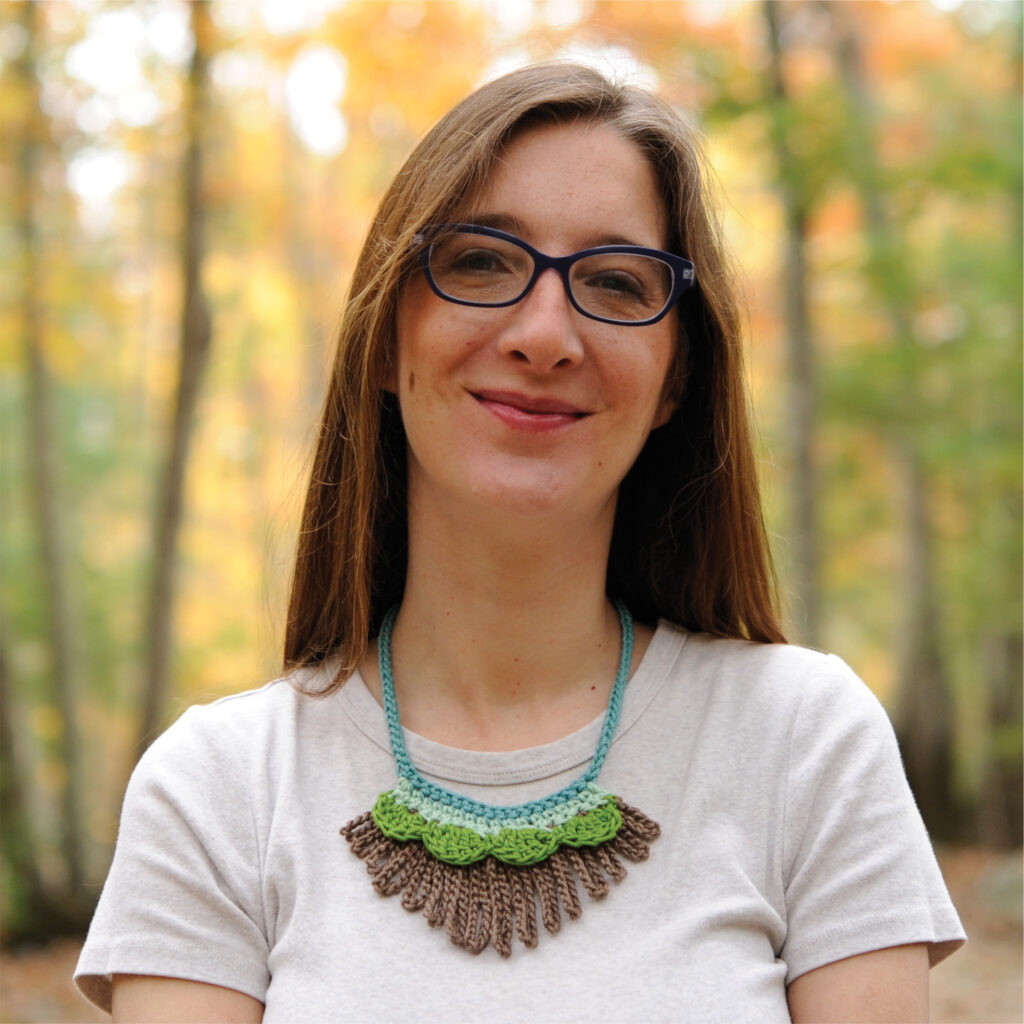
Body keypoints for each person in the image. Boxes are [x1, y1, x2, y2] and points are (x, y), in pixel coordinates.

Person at [75, 62, 964, 1023]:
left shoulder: (803, 742)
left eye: (617, 282)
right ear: (384, 336)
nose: (546, 335)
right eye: (482, 261)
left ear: (674, 384)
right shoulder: (218, 791)